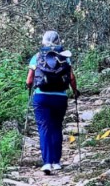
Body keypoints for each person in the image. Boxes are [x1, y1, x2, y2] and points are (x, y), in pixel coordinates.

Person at [27, 30, 77, 171]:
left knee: (44, 128)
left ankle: (47, 162)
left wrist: (30, 88)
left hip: (41, 97)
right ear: (58, 41)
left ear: (43, 40)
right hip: (60, 97)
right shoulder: (65, 57)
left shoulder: (37, 57)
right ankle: (56, 162)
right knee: (56, 127)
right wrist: (75, 91)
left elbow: (29, 80)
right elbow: (71, 78)